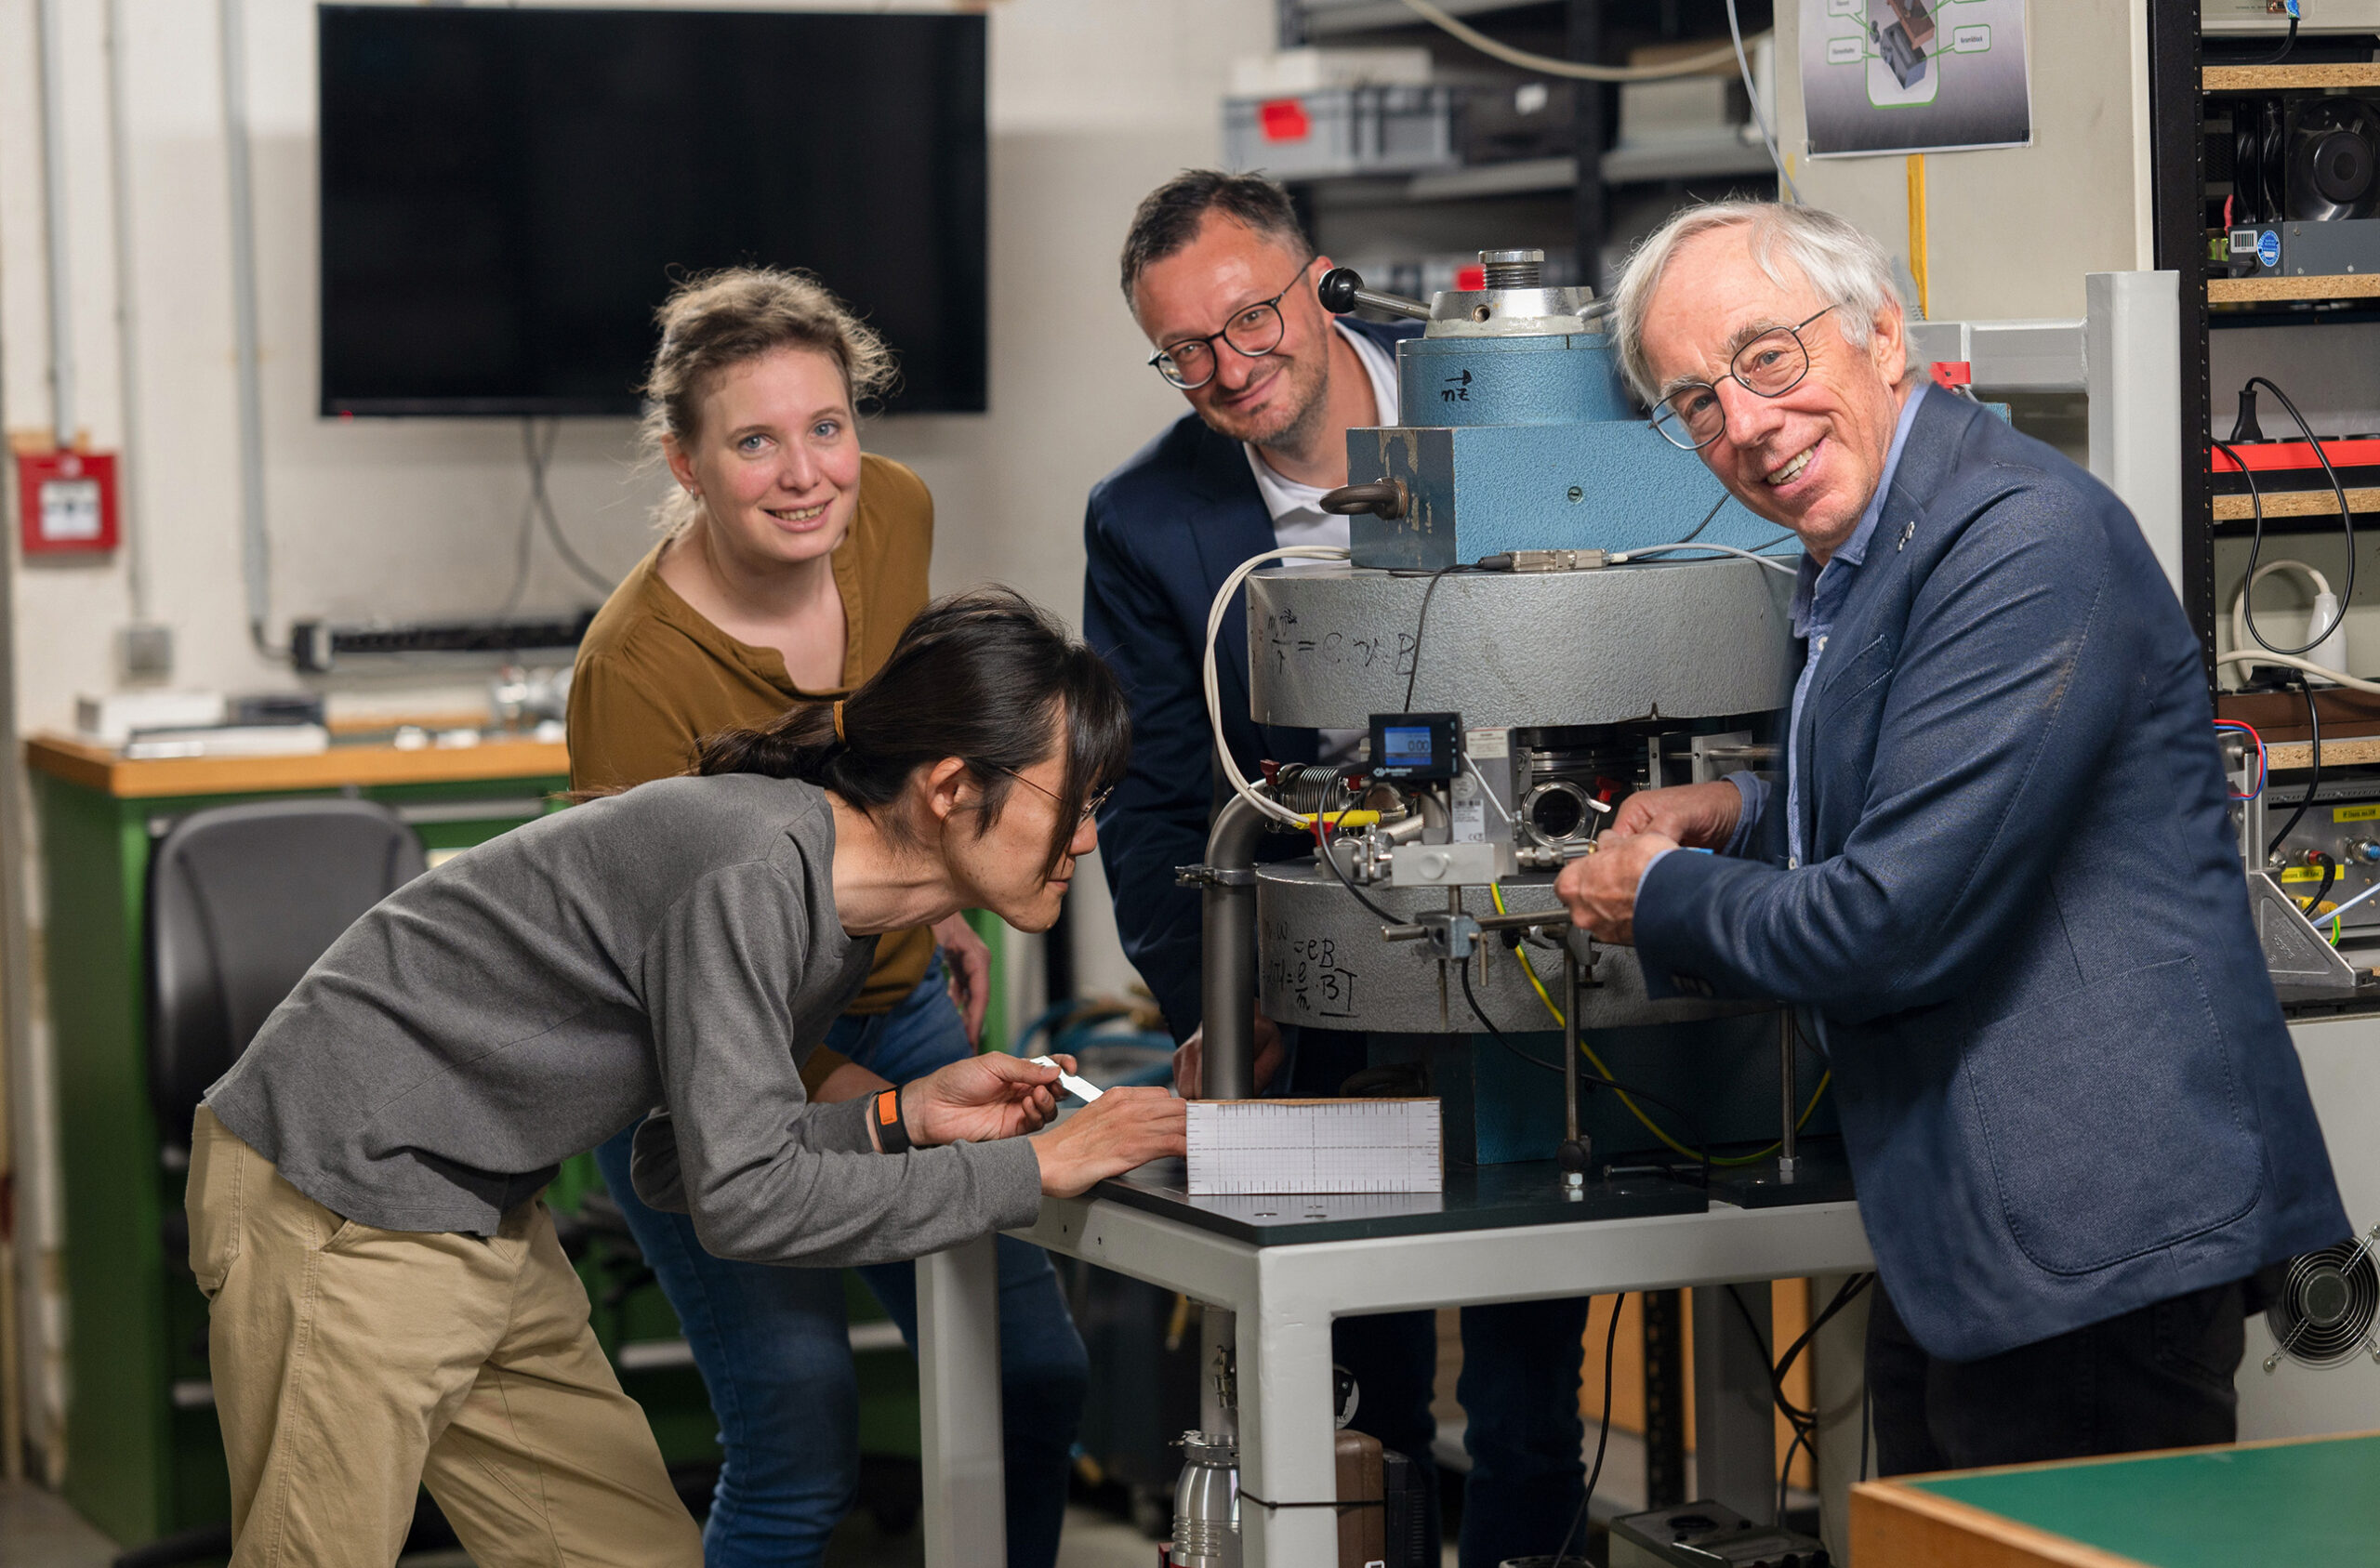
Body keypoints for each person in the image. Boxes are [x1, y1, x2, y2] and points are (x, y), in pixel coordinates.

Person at [1554, 199, 2348, 1474]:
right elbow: (1926, 793)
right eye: (1696, 399)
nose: (1746, 425)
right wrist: (1747, 814)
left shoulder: (2021, 537)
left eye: (1769, 357)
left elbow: (1889, 922)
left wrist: (1667, 891)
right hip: (1979, 1233)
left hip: (2091, 1235)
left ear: (1881, 330)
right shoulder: (1872, 535)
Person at [189, 589, 1185, 1568]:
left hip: (478, 1211)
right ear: (952, 787)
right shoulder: (753, 870)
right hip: (336, 1189)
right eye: (1076, 802)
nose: (1089, 839)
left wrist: (900, 1114)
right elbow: (745, 1206)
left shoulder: (828, 913)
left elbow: (678, 1163)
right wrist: (1035, 1170)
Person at [1083, 169, 1599, 1567]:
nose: (1226, 368)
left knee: (1525, 1366)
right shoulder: (1146, 518)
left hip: (1524, 948)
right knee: (1345, 1369)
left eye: (1250, 320)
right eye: (1184, 349)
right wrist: (1220, 994)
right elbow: (1151, 806)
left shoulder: (1494, 407)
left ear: (1318, 285)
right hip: (1318, 975)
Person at [565, 269, 1088, 1568]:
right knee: (800, 1429)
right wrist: (872, 1103)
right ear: (686, 461)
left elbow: (897, 753)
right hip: (698, 1058)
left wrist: (929, 897)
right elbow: (660, 973)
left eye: (829, 426)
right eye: (754, 440)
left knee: (1030, 1371)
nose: (807, 474)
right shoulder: (632, 670)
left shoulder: (890, 513)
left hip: (886, 991)